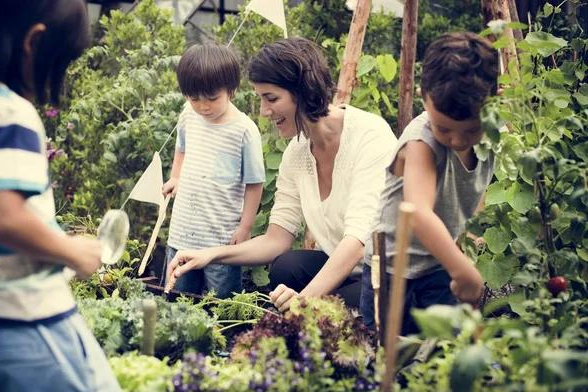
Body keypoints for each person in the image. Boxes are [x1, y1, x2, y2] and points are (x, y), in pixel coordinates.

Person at [167, 37, 397, 311]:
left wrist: (303, 300)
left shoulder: (369, 136)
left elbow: (358, 242)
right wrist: (210, 255)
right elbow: (277, 239)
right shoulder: (297, 153)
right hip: (350, 270)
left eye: (271, 98)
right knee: (286, 268)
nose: (264, 112)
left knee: (340, 308)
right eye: (260, 99)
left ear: (303, 90)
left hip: (388, 272)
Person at [0, 1, 121, 392]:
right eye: (61, 64)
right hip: (24, 315)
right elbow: (1, 217)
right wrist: (71, 251)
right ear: (35, 42)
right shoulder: (8, 112)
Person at [360, 32, 499, 335]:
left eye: (472, 129)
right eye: (445, 129)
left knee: (442, 351)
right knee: (384, 355)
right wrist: (462, 269)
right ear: (424, 97)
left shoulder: (495, 137)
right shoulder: (421, 140)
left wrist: (463, 248)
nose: (458, 140)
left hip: (437, 267)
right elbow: (418, 212)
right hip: (393, 270)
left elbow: (467, 195)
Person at [162, 43, 265, 299]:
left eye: (211, 98)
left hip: (221, 241)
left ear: (232, 90)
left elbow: (255, 183)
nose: (203, 106)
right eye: (194, 98)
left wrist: (245, 227)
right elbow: (181, 148)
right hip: (183, 232)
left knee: (220, 304)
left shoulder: (243, 131)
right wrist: (176, 176)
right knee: (178, 300)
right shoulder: (188, 114)